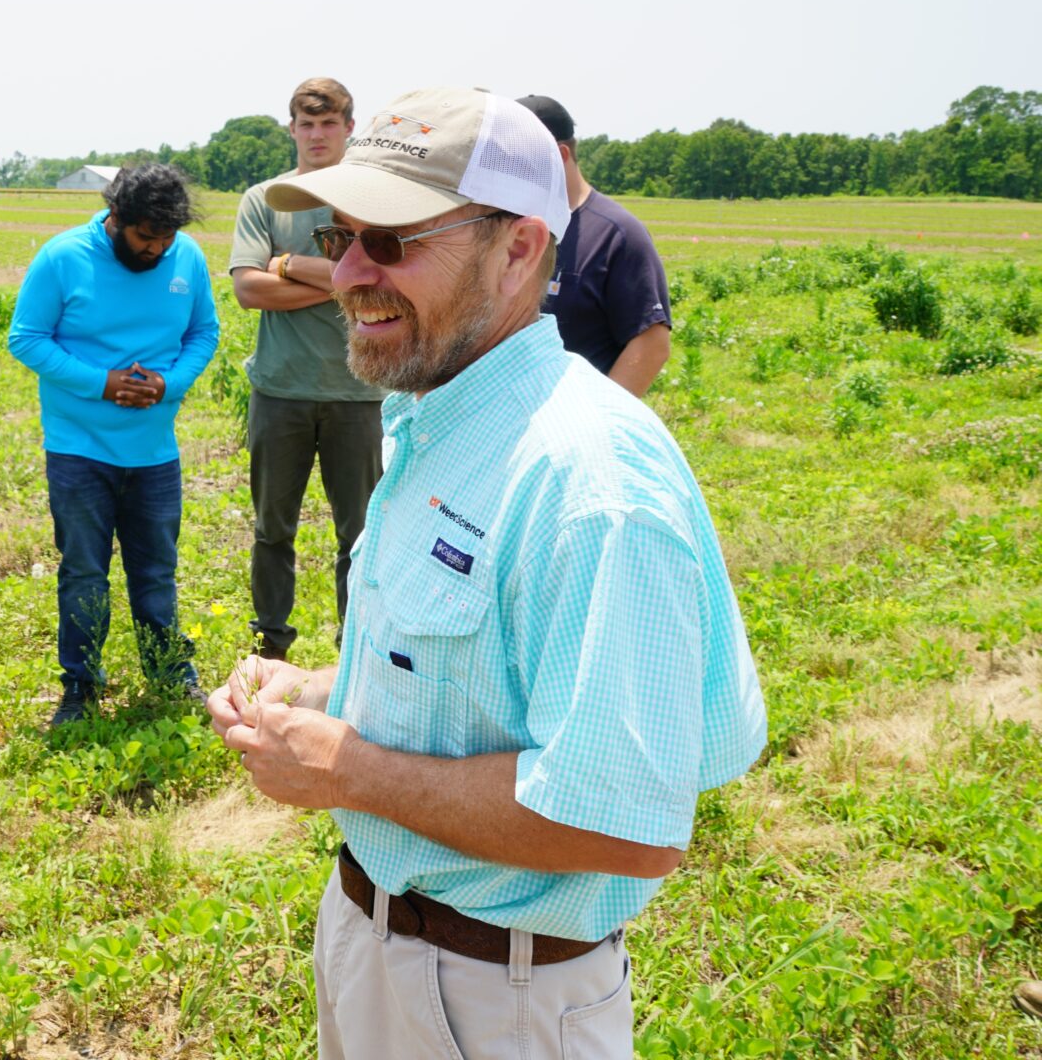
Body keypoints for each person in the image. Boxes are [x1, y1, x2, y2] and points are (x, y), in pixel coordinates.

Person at [208, 86, 766, 1059]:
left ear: (517, 248)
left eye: (390, 242)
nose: (345, 274)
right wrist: (322, 692)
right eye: (341, 235)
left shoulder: (588, 482)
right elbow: (464, 684)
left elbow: (625, 829)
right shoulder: (433, 415)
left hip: (494, 999)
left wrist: (346, 767)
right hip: (377, 942)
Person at [9, 164, 221, 727]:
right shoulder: (62, 257)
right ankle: (80, 686)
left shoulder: (187, 258)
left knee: (156, 573)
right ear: (116, 218)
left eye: (165, 240)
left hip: (154, 453)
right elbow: (25, 339)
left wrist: (168, 385)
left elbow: (205, 332)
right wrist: (100, 382)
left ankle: (171, 676)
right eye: (145, 237)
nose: (155, 250)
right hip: (80, 449)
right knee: (84, 571)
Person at [229, 77, 384, 662]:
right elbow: (249, 289)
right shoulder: (265, 197)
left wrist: (290, 263)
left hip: (359, 392)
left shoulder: (375, 199)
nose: (317, 134)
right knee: (273, 529)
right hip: (280, 389)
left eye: (329, 123)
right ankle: (270, 648)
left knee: (361, 537)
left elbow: (378, 280)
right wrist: (340, 278)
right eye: (306, 123)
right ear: (292, 129)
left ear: (350, 128)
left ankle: (357, 650)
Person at [517, 94, 673, 396]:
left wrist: (602, 415)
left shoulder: (617, 235)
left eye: (523, 162)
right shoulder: (513, 225)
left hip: (572, 420)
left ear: (560, 156)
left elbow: (652, 343)